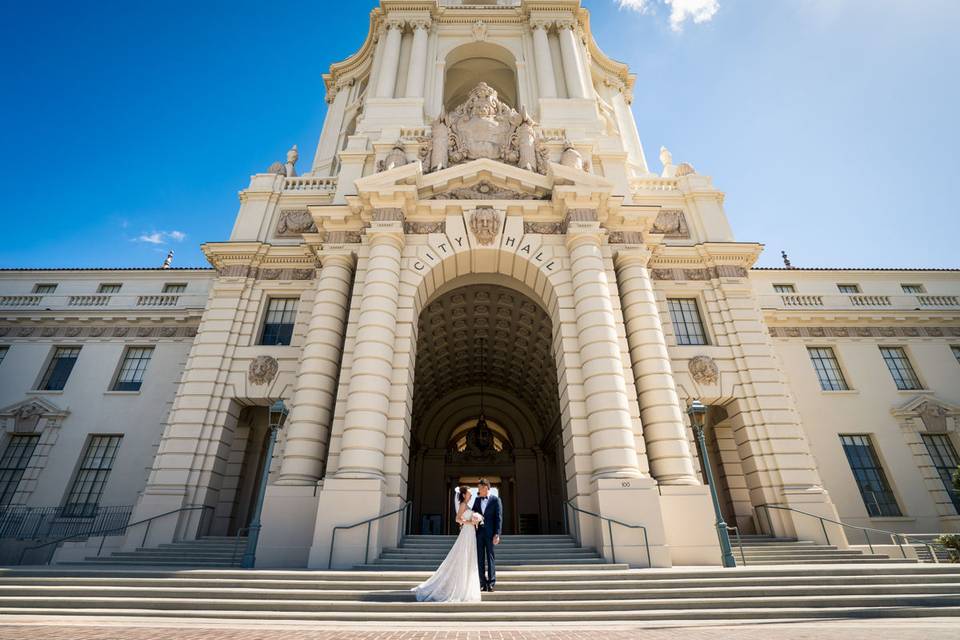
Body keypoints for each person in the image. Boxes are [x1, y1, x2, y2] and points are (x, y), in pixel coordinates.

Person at [411, 486, 482, 603]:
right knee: (462, 557)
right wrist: (471, 522)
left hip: (471, 533)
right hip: (467, 533)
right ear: (464, 495)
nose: (471, 495)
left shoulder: (467, 505)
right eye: (469, 493)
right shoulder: (463, 505)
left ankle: (465, 585)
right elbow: (457, 519)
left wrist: (476, 521)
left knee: (468, 557)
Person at [473, 478, 502, 592]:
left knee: (490, 558)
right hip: (479, 533)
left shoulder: (496, 500)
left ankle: (491, 583)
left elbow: (498, 518)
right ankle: (482, 582)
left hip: (490, 534)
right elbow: (473, 513)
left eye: (480, 488)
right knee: (480, 558)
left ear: (485, 487)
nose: (478, 490)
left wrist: (497, 534)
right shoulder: (476, 500)